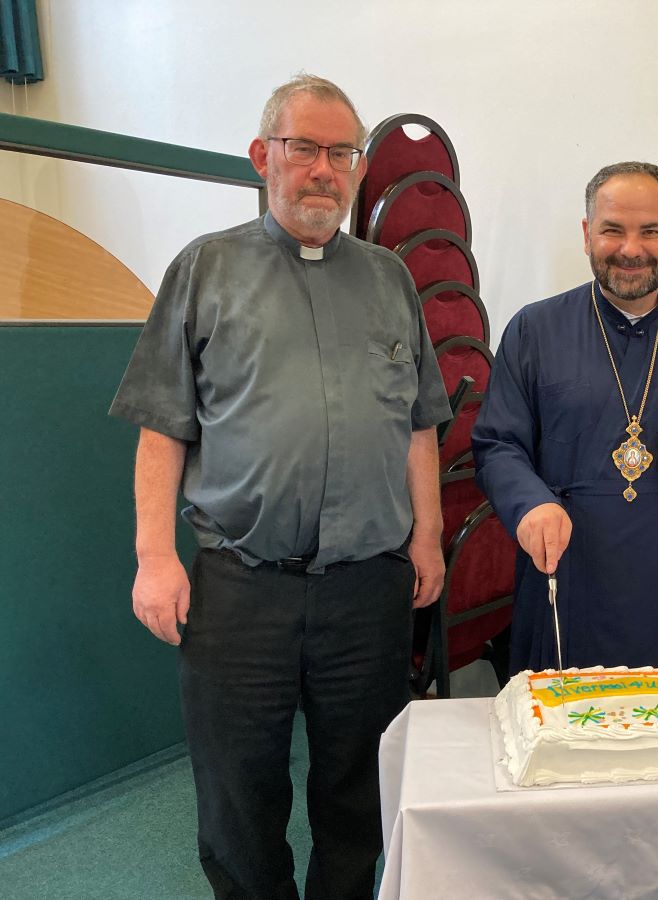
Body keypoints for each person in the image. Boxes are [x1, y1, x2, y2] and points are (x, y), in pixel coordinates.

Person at [109, 74, 451, 899]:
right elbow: (162, 425)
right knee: (238, 796)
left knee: (358, 790)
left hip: (367, 589)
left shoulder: (390, 279)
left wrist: (430, 537)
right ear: (264, 156)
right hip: (241, 589)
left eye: (343, 153)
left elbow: (419, 423)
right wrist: (154, 556)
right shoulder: (206, 269)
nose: (324, 170)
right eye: (305, 148)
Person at [472, 161, 658, 673]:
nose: (630, 249)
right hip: (568, 573)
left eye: (650, 231)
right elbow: (497, 445)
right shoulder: (534, 329)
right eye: (612, 230)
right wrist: (530, 504)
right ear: (587, 233)